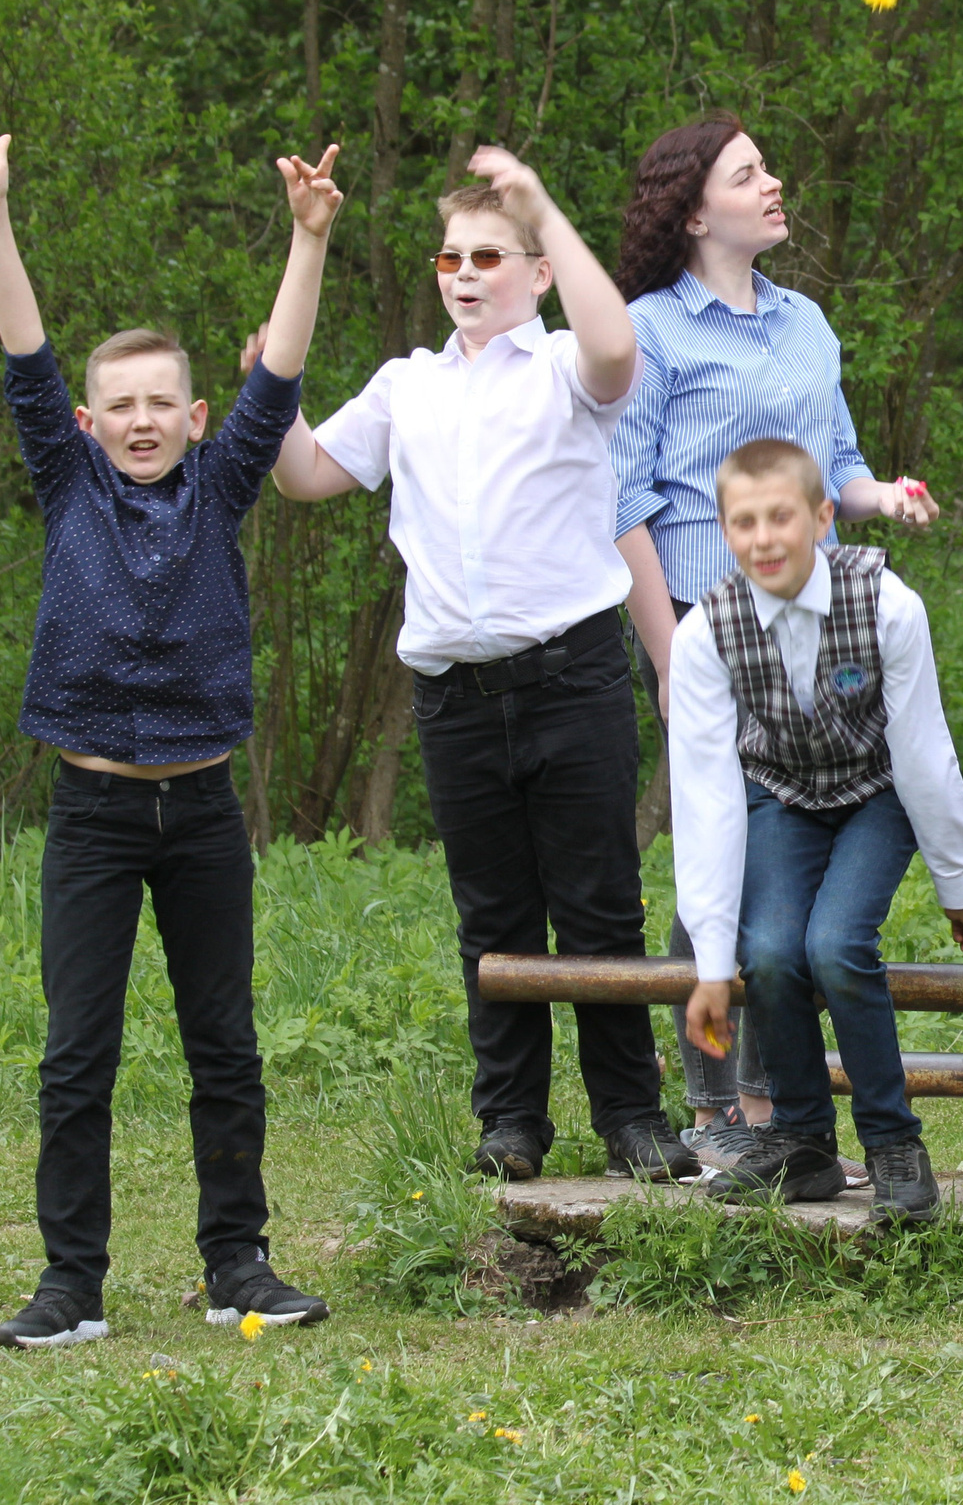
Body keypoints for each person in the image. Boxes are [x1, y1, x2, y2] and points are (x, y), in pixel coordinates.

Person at [0, 107, 338, 1349]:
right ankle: (71, 1286)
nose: (142, 419)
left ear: (196, 418)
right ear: (93, 424)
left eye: (164, 402)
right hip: (94, 812)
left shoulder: (221, 483)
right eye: (122, 406)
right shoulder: (67, 479)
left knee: (225, 1044)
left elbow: (280, 380)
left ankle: (237, 1267)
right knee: (75, 1055)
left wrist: (307, 239)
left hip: (202, 811)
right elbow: (27, 355)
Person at [271, 149, 696, 1186]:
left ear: (536, 272)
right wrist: (270, 386)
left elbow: (616, 349)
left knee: (598, 906)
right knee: (493, 918)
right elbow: (306, 475)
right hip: (457, 695)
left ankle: (631, 1118)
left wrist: (543, 207)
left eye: (491, 257)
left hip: (572, 676)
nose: (465, 274)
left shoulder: (562, 368)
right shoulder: (404, 385)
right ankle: (510, 1120)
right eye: (450, 257)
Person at [610, 114, 939, 1180]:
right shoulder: (652, 331)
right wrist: (667, 652)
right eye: (750, 175)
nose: (776, 183)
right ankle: (716, 1113)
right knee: (721, 853)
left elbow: (835, 462)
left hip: (816, 625)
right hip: (708, 635)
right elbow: (622, 502)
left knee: (781, 882)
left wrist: (881, 494)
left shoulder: (807, 322)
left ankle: (773, 1113)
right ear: (697, 210)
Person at [673, 440, 963, 1218]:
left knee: (835, 945)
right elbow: (709, 797)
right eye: (744, 521)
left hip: (876, 791)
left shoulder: (888, 604)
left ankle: (893, 1142)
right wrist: (712, 961)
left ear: (823, 517)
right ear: (723, 530)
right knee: (775, 951)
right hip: (779, 795)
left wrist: (961, 890)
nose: (765, 538)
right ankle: (804, 1141)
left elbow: (923, 752)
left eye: (781, 516)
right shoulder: (705, 633)